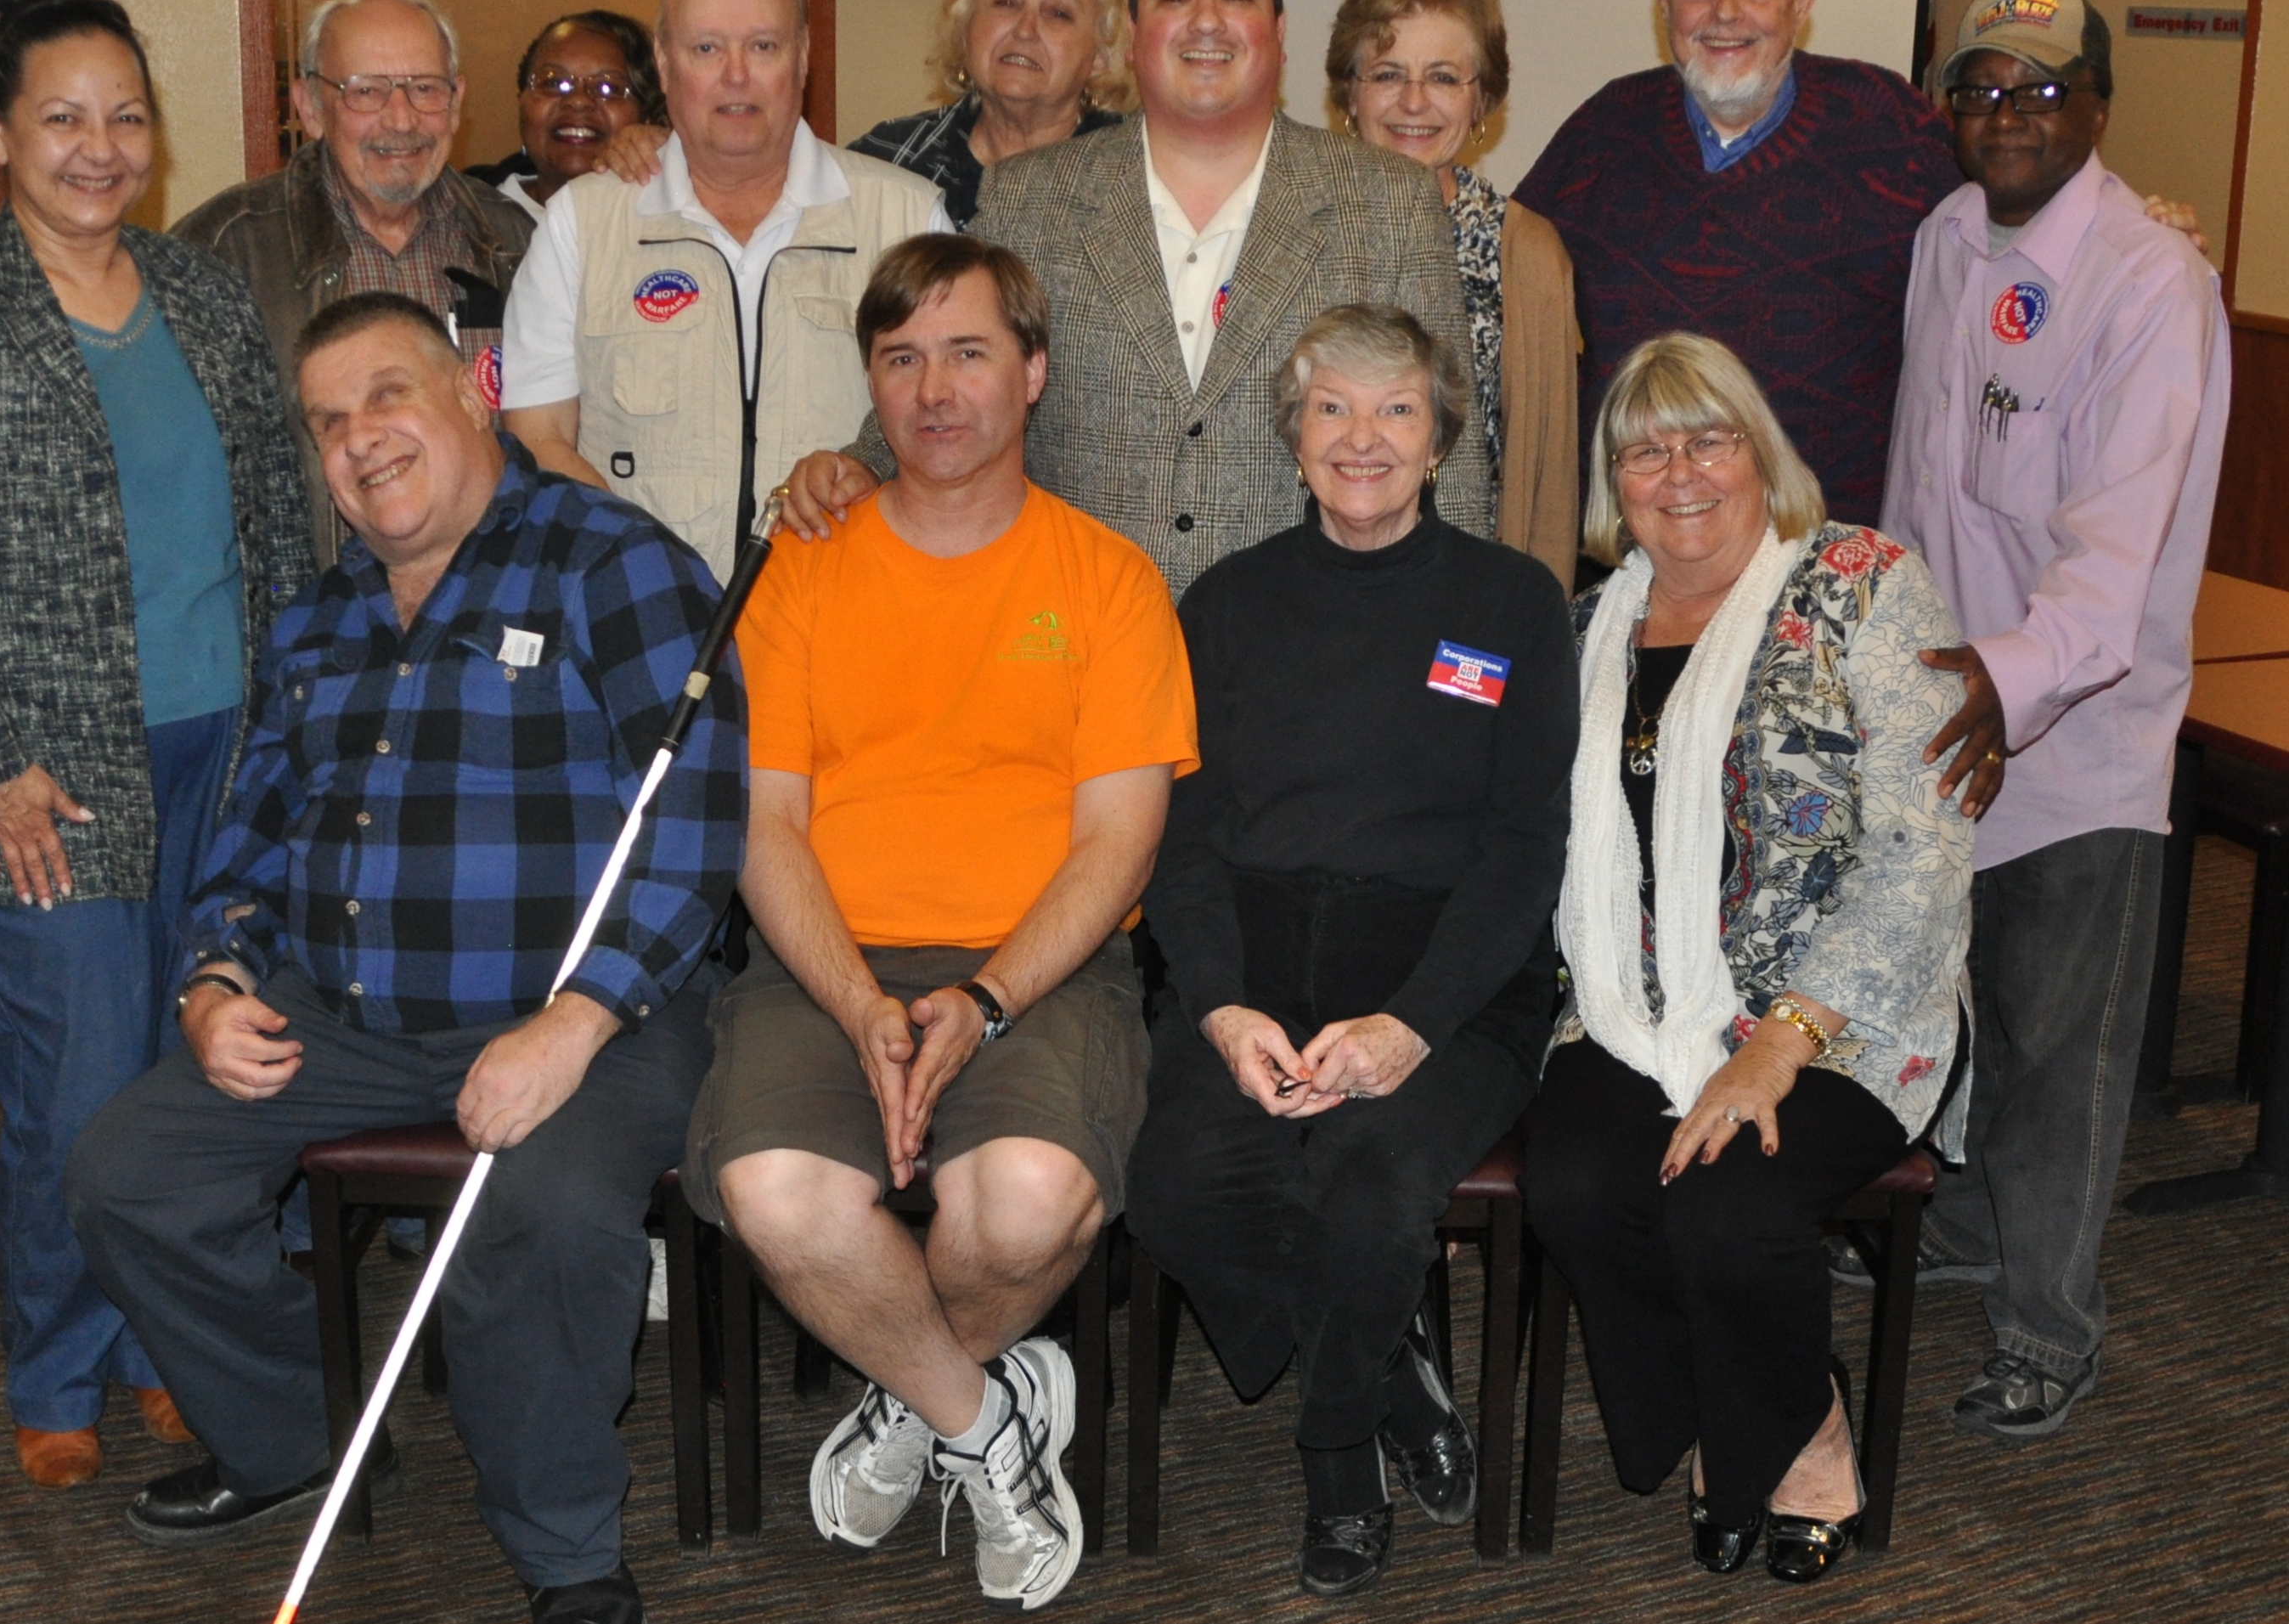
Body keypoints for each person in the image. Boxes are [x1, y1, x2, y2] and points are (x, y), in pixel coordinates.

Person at [65, 294, 742, 1624]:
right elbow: (254, 831)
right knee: (127, 1172)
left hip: (597, 1009)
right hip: (347, 1015)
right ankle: (300, 1438)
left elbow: (700, 824)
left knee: (541, 1218)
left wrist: (577, 1020)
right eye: (328, 421)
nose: (359, 438)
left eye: (387, 395)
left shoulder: (611, 560)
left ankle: (565, 1551)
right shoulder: (317, 618)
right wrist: (214, 977)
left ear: (475, 391)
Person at [0, 0, 313, 1489]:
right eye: (62, 119)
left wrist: (296, 727)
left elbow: (272, 527)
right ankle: (57, 1363)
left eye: (126, 117)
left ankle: (168, 1344)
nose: (99, 148)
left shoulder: (202, 297)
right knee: (81, 1085)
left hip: (221, 750)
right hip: (41, 781)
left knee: (198, 1072)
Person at [680, 233, 1197, 1611]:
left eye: (969, 352)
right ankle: (984, 1414)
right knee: (773, 1193)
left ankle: (910, 1396)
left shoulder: (1108, 579)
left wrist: (984, 1002)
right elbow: (763, 823)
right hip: (822, 963)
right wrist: (860, 1004)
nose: (934, 389)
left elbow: (1119, 841)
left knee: (1023, 1204)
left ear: (1032, 372)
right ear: (871, 382)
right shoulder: (800, 568)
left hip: (1043, 969)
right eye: (901, 358)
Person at [1125, 305, 1576, 1597]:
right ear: (1294, 434)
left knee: (1369, 1186)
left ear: (1438, 441)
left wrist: (1412, 1024)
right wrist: (1219, 1007)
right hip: (1254, 964)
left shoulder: (1512, 602)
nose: (1361, 438)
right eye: (1332, 407)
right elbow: (1183, 840)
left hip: (1451, 976)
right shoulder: (1225, 602)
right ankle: (1390, 1371)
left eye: (1395, 410)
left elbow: (1522, 849)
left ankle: (1338, 1463)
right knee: (1181, 1182)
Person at [1523, 332, 1971, 1585]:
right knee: (1576, 1188)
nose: (1679, 473)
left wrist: (1780, 1041)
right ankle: (1772, 1402)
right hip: (1632, 999)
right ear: (1613, 485)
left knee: (1725, 1207)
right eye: (1643, 452)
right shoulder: (1587, 625)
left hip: (1845, 1012)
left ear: (1759, 454)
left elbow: (1924, 842)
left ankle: (1790, 1439)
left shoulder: (1860, 582)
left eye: (1708, 439)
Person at [1876, 0, 2230, 1442]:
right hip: (1942, 710)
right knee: (1963, 1010)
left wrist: (1995, 677)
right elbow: (1918, 487)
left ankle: (2048, 1328)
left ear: (2095, 106)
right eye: (1979, 88)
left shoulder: (2152, 282)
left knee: (2062, 1047)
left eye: (2037, 89)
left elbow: (2113, 554)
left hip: (2075, 731)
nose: (2005, 116)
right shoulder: (1945, 240)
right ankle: (1967, 1228)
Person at [781, 0, 1491, 598]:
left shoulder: (1388, 202)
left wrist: (1461, 632)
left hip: (1311, 636)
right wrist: (859, 465)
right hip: (1068, 629)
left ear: (1278, 32)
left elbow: (1449, 455)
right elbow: (956, 373)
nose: (1205, 20)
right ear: (1131, 34)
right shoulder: (1029, 197)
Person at [1512, 0, 1965, 526]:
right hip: (1640, 543)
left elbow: (1996, 260)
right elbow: (1505, 270)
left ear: (1800, 0)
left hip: (1827, 545)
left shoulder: (1890, 126)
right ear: (1664, 4)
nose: (1725, 11)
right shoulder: (1605, 130)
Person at [499, 0, 947, 582]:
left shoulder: (906, 218)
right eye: (706, 48)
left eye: (763, 46)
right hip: (639, 609)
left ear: (803, 57)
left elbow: (949, 425)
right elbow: (537, 437)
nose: (736, 75)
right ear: (664, 61)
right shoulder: (582, 223)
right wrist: (649, 576)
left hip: (851, 607)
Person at [175, 0, 533, 561]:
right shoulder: (223, 253)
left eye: (424, 88)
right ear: (310, 109)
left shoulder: (514, 244)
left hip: (500, 596)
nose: (401, 119)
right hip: (310, 606)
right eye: (366, 91)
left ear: (456, 102)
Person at [1327, 0, 1580, 585]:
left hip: (1469, 589)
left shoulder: (1527, 251)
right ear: (1349, 93)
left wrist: (1530, 609)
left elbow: (1547, 480)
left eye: (1442, 78)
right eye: (1387, 74)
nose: (1413, 102)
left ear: (1481, 101)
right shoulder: (1293, 230)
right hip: (1310, 579)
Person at [849, 0, 1129, 226]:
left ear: (1101, 55)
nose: (1025, 30)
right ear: (965, 27)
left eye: (1058, 13)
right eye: (1006, 2)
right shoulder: (888, 160)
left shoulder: (1138, 175)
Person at [467, 8, 667, 219]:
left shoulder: (675, 218)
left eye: (607, 87)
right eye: (554, 83)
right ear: (521, 99)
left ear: (647, 115)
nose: (578, 101)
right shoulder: (465, 209)